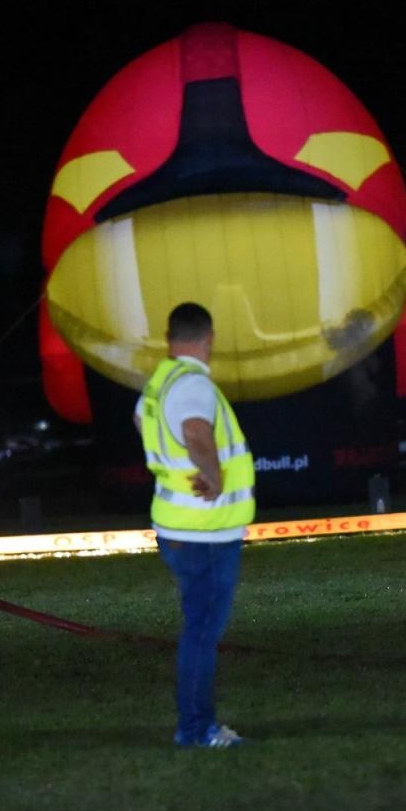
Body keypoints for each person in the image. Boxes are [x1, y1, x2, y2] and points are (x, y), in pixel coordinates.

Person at [134, 302, 256, 748]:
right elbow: (196, 433)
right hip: (205, 532)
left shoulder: (158, 384)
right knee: (202, 634)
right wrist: (214, 475)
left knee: (199, 630)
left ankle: (197, 725)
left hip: (179, 526)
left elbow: (144, 424)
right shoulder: (192, 385)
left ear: (169, 338)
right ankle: (196, 729)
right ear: (209, 339)